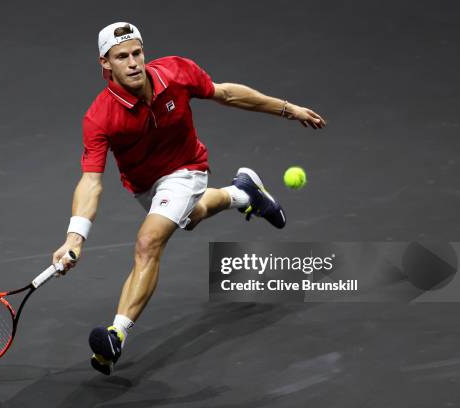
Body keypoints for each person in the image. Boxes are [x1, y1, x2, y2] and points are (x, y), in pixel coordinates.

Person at [52, 22, 326, 375]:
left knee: (149, 242)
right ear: (105, 63)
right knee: (192, 215)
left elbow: (226, 93)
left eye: (137, 53)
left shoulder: (176, 72)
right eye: (122, 57)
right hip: (145, 185)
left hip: (186, 169)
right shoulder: (100, 116)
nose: (134, 62)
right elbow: (91, 182)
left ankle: (116, 334)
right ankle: (243, 193)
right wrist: (75, 237)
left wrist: (289, 109)